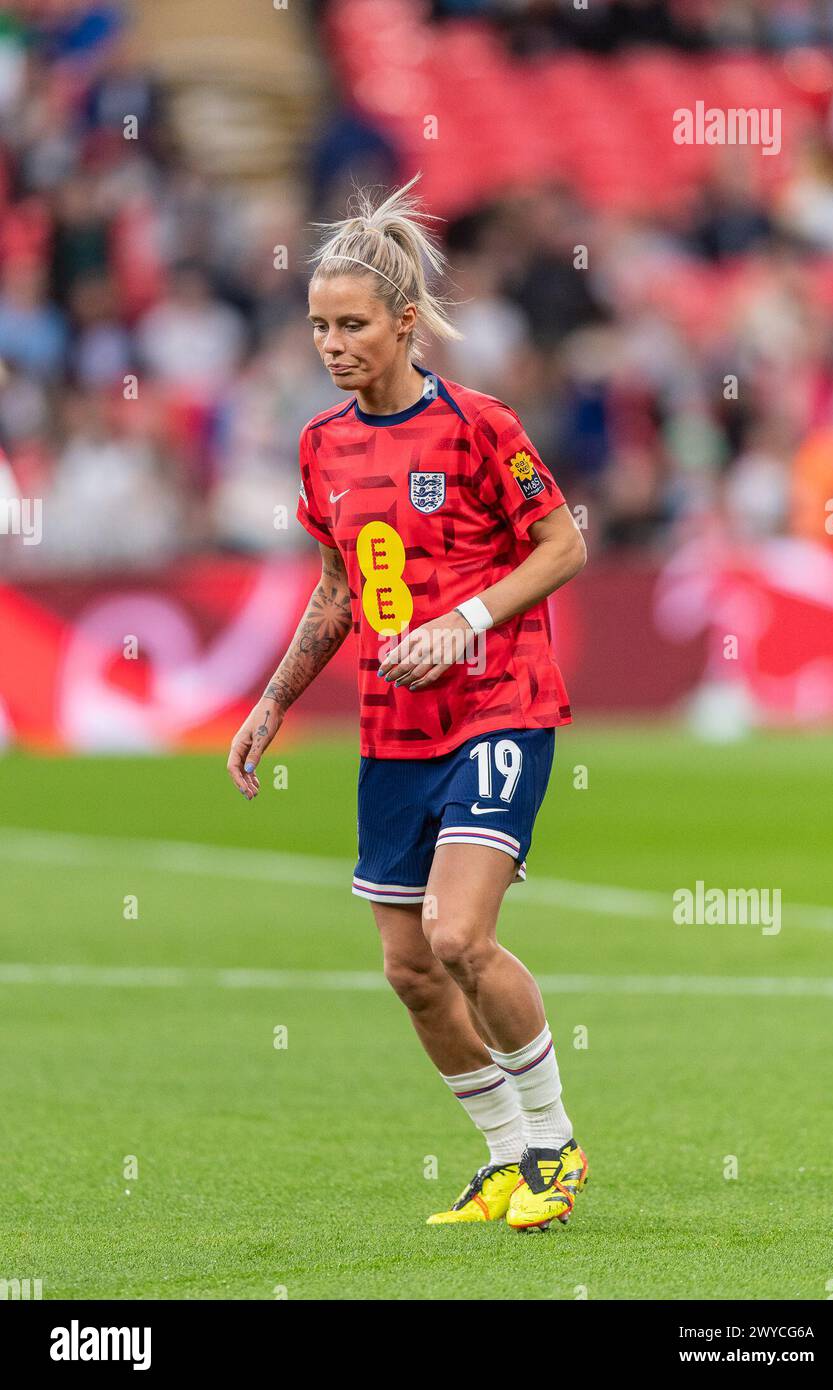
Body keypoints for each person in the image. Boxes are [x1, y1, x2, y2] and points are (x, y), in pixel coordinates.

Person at [227, 176, 589, 1231]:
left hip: (501, 703)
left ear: (402, 319)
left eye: (350, 324)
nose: (331, 344)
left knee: (461, 936)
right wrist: (272, 702)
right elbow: (340, 588)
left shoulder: (479, 425)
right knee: (411, 969)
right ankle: (504, 1157)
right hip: (394, 730)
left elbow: (563, 542)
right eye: (317, 327)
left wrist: (467, 623)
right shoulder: (322, 446)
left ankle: (556, 1145)